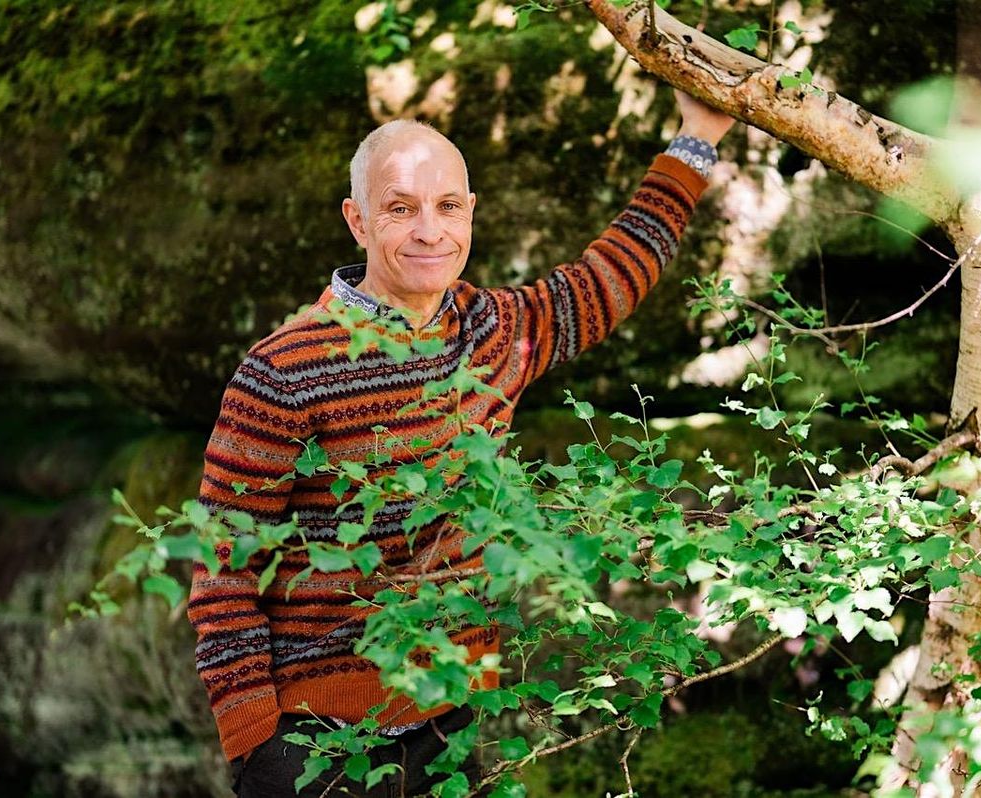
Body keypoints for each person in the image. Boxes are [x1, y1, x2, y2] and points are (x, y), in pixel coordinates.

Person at [188, 89, 735, 797]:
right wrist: (255, 744)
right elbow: (222, 567)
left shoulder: (492, 332)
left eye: (448, 206)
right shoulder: (284, 368)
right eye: (400, 208)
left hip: (450, 732)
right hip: (314, 749)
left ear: (470, 213)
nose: (429, 230)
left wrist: (697, 138)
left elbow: (610, 278)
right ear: (357, 220)